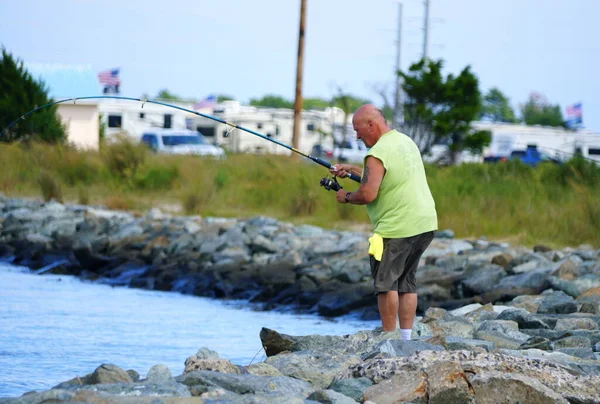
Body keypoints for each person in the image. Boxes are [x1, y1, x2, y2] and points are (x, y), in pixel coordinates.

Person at [330, 104, 438, 340]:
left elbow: (368, 194)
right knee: (406, 282)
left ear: (371, 124)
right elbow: (383, 176)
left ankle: (389, 338)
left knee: (386, 283)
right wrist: (350, 170)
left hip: (397, 227)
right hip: (424, 223)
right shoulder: (404, 141)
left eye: (358, 130)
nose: (357, 136)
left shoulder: (377, 152)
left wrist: (346, 197)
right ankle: (406, 340)